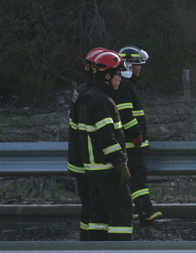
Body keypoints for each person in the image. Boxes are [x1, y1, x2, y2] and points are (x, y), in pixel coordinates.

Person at [74, 49, 133, 240]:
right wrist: (121, 164)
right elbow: (107, 138)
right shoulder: (102, 101)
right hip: (107, 169)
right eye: (118, 74)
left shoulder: (89, 96)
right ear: (107, 76)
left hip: (94, 170)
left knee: (97, 215)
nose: (121, 79)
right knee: (121, 212)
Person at [116, 46, 162, 223]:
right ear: (128, 66)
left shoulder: (125, 85)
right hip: (131, 144)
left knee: (131, 179)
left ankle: (132, 211)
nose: (140, 68)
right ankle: (146, 212)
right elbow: (126, 114)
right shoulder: (124, 86)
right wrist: (136, 135)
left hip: (130, 143)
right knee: (137, 178)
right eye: (137, 64)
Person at [67, 47, 106, 240]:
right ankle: (92, 244)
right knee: (94, 205)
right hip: (87, 161)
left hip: (78, 158)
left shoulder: (81, 91)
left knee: (88, 205)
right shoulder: (91, 95)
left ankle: (86, 239)